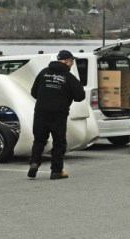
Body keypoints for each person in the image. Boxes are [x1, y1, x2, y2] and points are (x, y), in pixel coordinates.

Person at [28, 50, 85, 180]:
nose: (72, 64)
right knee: (59, 142)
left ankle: (34, 163)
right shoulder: (69, 77)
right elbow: (80, 96)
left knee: (39, 140)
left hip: (41, 112)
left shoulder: (43, 73)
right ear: (66, 61)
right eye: (71, 61)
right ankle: (56, 171)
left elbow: (34, 92)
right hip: (58, 114)